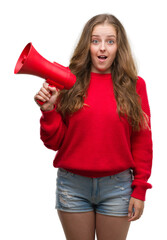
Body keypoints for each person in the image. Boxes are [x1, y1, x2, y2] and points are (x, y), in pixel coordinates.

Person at [34, 13, 153, 240]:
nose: (102, 48)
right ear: (87, 44)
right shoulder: (68, 81)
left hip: (117, 187)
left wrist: (140, 189)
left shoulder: (135, 86)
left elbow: (142, 142)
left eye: (110, 41)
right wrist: (49, 110)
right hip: (72, 186)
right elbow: (54, 143)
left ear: (119, 46)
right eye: (95, 40)